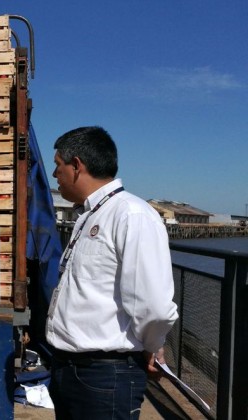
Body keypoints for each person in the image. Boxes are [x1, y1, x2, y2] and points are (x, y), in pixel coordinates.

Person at [46, 126, 179, 419]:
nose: (55, 175)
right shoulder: (88, 215)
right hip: (70, 369)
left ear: (77, 165)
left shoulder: (132, 214)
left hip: (105, 375)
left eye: (58, 166)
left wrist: (154, 346)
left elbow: (153, 305)